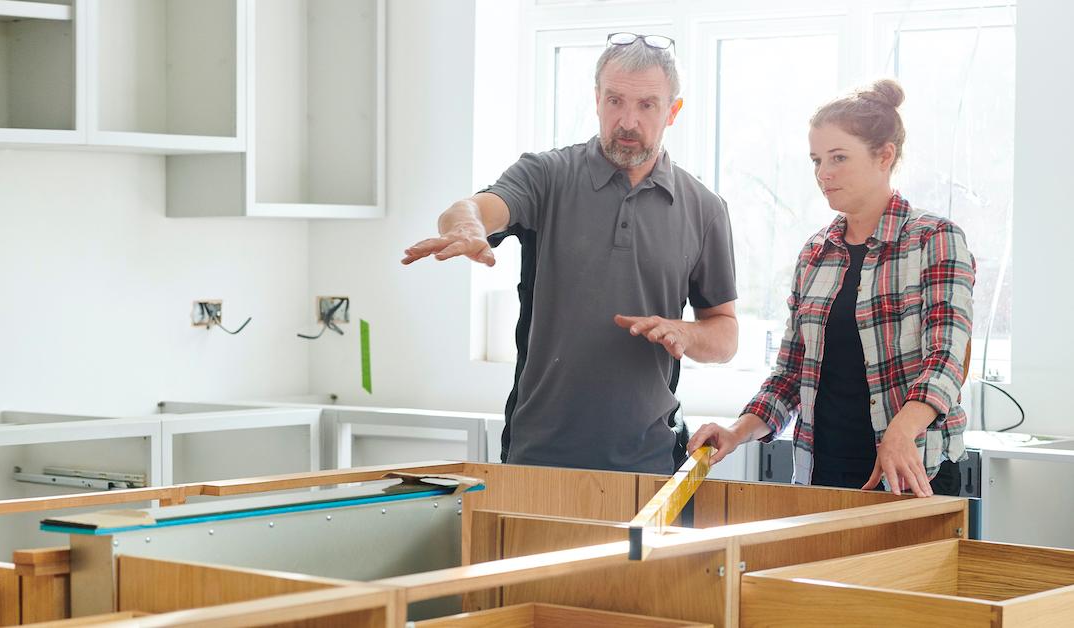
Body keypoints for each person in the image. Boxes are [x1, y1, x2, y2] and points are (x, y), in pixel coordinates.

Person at [401, 33, 738, 474]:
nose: (628, 121)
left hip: (651, 460)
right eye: (615, 101)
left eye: (647, 105)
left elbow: (725, 335)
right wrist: (466, 224)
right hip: (539, 455)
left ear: (673, 111)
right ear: (597, 99)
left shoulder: (704, 208)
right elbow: (476, 208)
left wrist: (686, 334)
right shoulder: (546, 176)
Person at [687, 79, 974, 496]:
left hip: (912, 473)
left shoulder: (935, 240)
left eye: (838, 157)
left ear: (884, 156)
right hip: (822, 475)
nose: (824, 173)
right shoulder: (815, 254)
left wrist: (901, 430)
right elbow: (788, 376)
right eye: (816, 160)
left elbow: (946, 359)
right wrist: (736, 432)